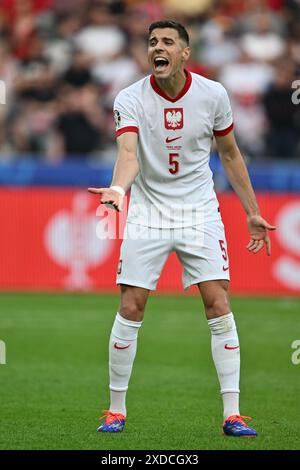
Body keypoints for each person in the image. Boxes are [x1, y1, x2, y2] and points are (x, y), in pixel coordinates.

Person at [88, 20, 276, 437]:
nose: (159, 47)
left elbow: (229, 154)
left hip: (199, 211)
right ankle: (115, 409)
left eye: (168, 41)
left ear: (184, 53)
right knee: (131, 305)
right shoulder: (129, 97)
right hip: (148, 213)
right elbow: (128, 153)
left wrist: (251, 211)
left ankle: (233, 414)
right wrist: (118, 188)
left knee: (218, 303)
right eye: (153, 41)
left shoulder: (213, 94)